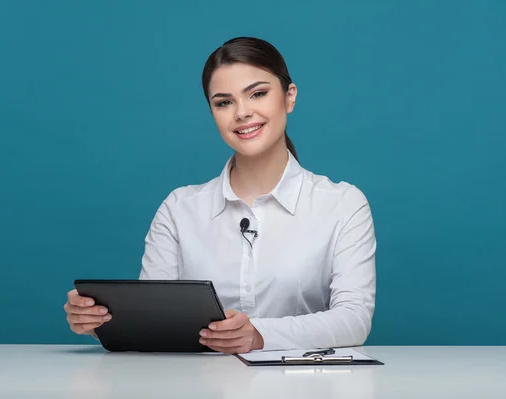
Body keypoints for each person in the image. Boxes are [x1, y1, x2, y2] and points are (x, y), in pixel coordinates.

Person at [64, 36, 377, 354]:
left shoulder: (342, 204)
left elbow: (354, 319)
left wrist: (258, 334)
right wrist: (99, 320)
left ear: (289, 97)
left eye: (258, 93)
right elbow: (154, 318)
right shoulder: (179, 208)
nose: (242, 113)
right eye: (224, 102)